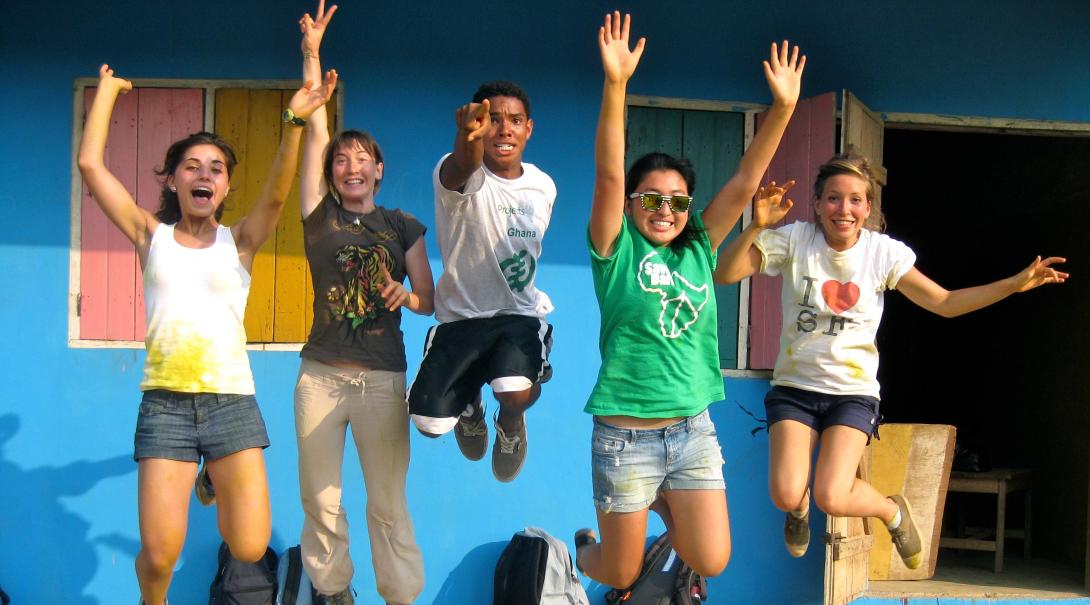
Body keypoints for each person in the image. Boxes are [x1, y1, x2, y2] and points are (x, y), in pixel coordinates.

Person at [713, 154, 1068, 567]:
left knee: (832, 494)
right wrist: (757, 225)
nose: (843, 210)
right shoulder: (794, 240)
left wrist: (1013, 284)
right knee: (786, 493)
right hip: (795, 389)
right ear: (816, 203)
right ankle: (798, 508)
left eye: (855, 200)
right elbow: (726, 273)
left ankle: (891, 510)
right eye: (832, 198)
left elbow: (946, 303)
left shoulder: (882, 253)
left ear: (868, 208)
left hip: (853, 394)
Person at [78, 63, 335, 605]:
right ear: (172, 180)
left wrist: (293, 120)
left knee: (249, 544)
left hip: (230, 404)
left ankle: (211, 477)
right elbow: (89, 163)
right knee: (160, 555)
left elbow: (276, 195)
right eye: (191, 166)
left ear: (225, 186)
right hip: (166, 405)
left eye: (216, 168)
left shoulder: (238, 242)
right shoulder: (151, 235)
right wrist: (105, 93)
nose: (204, 174)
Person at [572, 12, 805, 589]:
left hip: (691, 431)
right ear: (630, 206)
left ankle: (653, 502)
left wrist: (783, 109)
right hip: (625, 436)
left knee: (712, 559)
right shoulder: (614, 249)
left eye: (677, 202)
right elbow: (606, 175)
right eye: (650, 200)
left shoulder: (699, 247)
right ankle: (583, 548)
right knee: (620, 570)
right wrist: (616, 85)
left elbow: (746, 182)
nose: (665, 212)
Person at [291, 3, 432, 604]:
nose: (350, 164)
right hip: (320, 377)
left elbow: (429, 299)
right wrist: (311, 55)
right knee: (321, 501)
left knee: (386, 504)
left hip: (380, 380)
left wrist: (408, 293)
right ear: (333, 173)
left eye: (361, 158)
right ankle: (335, 594)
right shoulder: (317, 218)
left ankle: (399, 597)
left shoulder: (401, 225)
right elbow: (316, 125)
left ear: (378, 169)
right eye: (341, 159)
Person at [405, 71, 556, 483]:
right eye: (493, 119)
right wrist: (466, 136)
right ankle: (468, 404)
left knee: (513, 388)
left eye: (515, 119)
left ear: (529, 128)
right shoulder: (458, 172)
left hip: (517, 315)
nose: (504, 128)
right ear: (478, 125)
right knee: (428, 423)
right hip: (461, 319)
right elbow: (463, 165)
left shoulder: (543, 186)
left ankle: (510, 425)